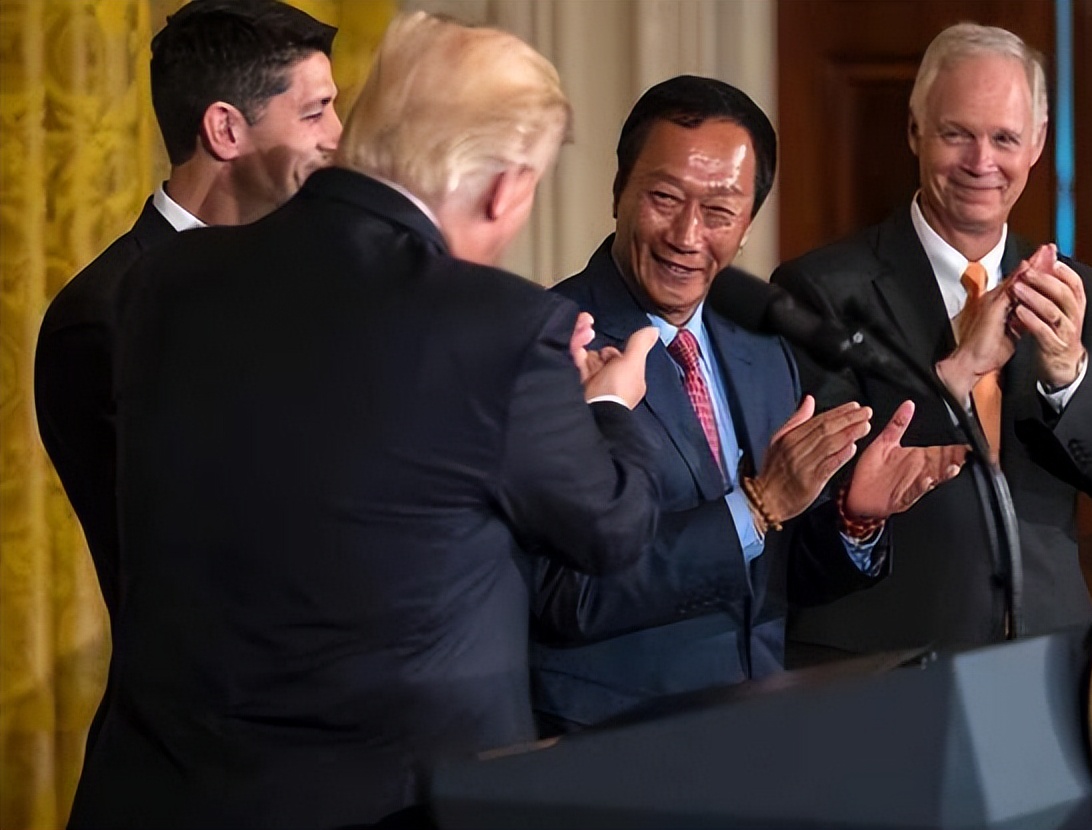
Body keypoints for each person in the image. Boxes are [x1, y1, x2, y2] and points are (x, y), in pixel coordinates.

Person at [67, 13, 661, 829]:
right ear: (507, 188)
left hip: (174, 795)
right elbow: (612, 533)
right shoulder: (504, 331)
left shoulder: (161, 281)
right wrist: (606, 404)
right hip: (385, 804)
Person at [529, 75, 966, 735]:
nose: (686, 234)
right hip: (614, 741)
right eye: (664, 198)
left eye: (719, 211)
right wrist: (757, 506)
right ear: (618, 190)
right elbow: (569, 595)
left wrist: (852, 520)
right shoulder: (552, 344)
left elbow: (768, 574)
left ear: (748, 224)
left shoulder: (759, 340)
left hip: (755, 728)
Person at [772, 23, 1092, 657]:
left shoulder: (1079, 296)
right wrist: (959, 371)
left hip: (1046, 664)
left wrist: (1069, 372)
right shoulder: (821, 289)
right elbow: (817, 503)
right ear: (915, 130)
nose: (981, 163)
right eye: (957, 134)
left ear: (1037, 143)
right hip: (889, 666)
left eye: (1004, 138)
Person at [34, 0, 342, 620]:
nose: (337, 136)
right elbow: (188, 554)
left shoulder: (325, 277)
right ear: (225, 129)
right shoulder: (104, 316)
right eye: (315, 112)